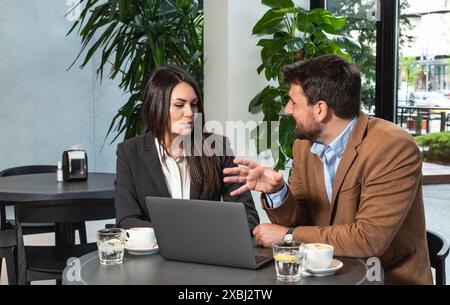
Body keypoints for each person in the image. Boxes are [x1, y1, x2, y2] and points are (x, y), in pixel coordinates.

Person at [223, 55, 432, 284]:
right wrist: (277, 192)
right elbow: (301, 217)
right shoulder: (303, 146)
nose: (287, 109)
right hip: (320, 274)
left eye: (294, 102)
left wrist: (288, 236)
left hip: (383, 278)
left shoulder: (393, 147)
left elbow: (369, 239)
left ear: (320, 109)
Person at [115, 66, 259, 231]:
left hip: (206, 252)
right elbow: (126, 220)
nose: (190, 113)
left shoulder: (217, 148)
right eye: (179, 105)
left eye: (194, 104)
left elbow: (248, 217)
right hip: (154, 253)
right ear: (156, 106)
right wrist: (179, 233)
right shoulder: (130, 152)